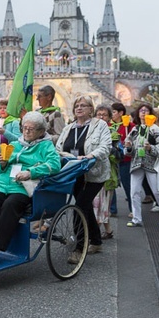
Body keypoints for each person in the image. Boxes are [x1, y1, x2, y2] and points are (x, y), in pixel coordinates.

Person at [0, 111, 60, 260]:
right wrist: (2, 164)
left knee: (10, 205)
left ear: (41, 131)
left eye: (31, 129)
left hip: (23, 187)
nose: (27, 131)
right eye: (24, 128)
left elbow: (55, 165)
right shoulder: (15, 143)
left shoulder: (46, 146)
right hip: (3, 183)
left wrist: (31, 172)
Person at [55, 95, 112, 260]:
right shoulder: (69, 127)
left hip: (94, 174)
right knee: (85, 207)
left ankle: (79, 249)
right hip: (74, 173)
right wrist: (69, 157)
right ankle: (96, 241)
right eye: (76, 106)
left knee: (79, 206)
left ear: (90, 109)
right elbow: (58, 147)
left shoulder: (100, 125)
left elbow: (105, 147)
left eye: (83, 105)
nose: (79, 108)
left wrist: (89, 156)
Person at [123, 103, 159, 228]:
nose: (144, 112)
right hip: (136, 164)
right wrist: (128, 148)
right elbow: (127, 151)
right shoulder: (134, 130)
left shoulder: (154, 129)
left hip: (151, 164)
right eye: (141, 110)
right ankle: (136, 218)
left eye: (146, 110)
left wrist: (151, 148)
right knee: (134, 192)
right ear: (137, 113)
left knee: (157, 192)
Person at [92, 105, 118, 239]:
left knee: (100, 204)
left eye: (104, 115)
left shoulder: (113, 133)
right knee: (100, 205)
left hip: (106, 174)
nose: (101, 117)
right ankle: (108, 231)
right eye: (99, 114)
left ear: (109, 118)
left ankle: (94, 237)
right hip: (92, 172)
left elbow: (117, 154)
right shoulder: (91, 131)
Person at [109, 102, 134, 215]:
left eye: (113, 112)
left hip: (125, 160)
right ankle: (112, 209)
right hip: (112, 159)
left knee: (128, 185)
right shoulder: (108, 126)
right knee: (111, 184)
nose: (112, 114)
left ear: (121, 113)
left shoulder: (129, 126)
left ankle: (133, 209)